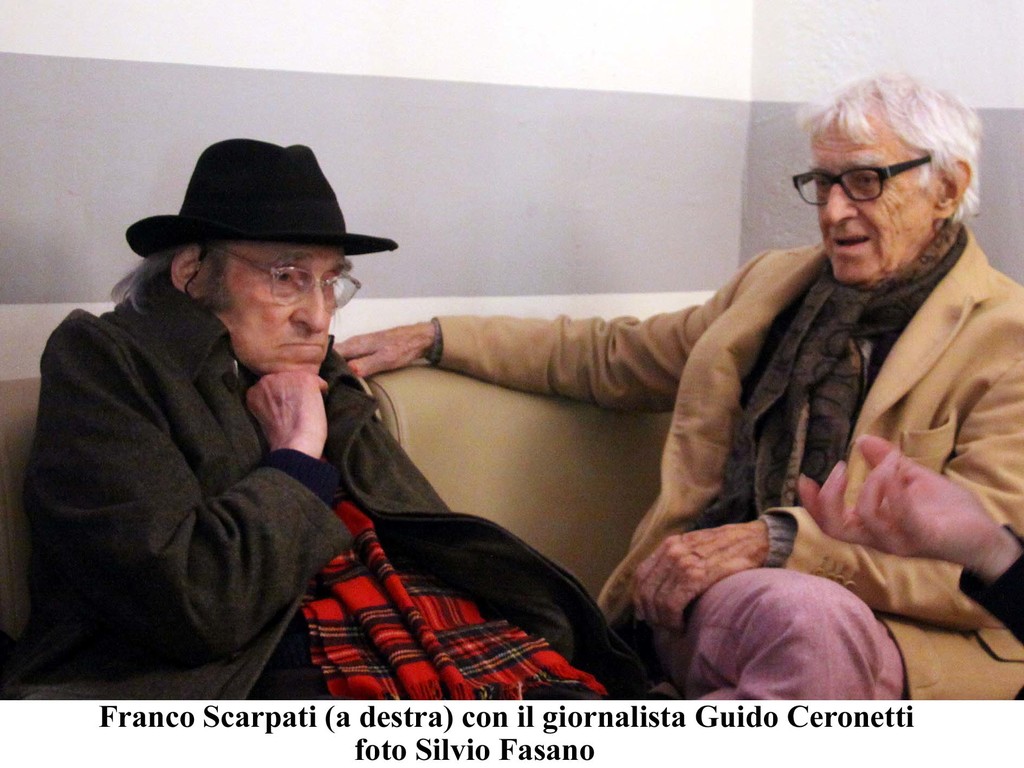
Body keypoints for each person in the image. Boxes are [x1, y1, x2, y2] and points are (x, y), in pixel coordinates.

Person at [337, 73, 1024, 699]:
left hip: (911, 646)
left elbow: (993, 571)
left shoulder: (1006, 340)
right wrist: (438, 336)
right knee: (799, 623)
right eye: (823, 182)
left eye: (866, 181)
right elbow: (615, 356)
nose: (834, 211)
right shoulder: (774, 286)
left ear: (947, 188)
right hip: (714, 603)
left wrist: (784, 544)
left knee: (805, 619)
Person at [0, 139, 646, 699]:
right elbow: (196, 606)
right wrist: (296, 455)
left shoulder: (321, 370)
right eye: (287, 277)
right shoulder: (106, 360)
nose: (319, 314)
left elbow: (416, 532)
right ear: (193, 273)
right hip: (226, 672)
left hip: (399, 626)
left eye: (330, 281)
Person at [801, 435, 1024, 646]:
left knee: (800, 613)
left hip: (925, 640)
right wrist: (995, 554)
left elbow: (958, 595)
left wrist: (992, 553)